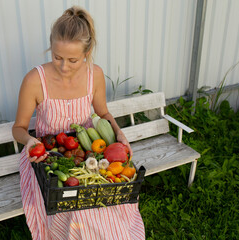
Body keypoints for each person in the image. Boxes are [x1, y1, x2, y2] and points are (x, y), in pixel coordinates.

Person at [12, 6, 145, 240]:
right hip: (46, 159)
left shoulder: (95, 75)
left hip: (87, 153)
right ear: (51, 48)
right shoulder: (35, 80)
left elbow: (103, 113)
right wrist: (30, 141)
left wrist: (119, 133)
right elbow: (18, 128)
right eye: (57, 57)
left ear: (87, 51)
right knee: (76, 211)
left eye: (72, 60)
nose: (64, 67)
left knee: (105, 201)